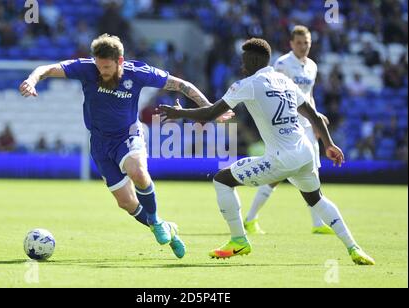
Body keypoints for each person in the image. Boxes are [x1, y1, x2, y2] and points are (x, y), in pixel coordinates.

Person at [159, 38, 375, 265]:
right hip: (304, 152)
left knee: (222, 180)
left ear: (252, 61)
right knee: (316, 199)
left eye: (243, 61)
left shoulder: (247, 84)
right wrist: (329, 144)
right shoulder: (284, 80)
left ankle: (239, 240)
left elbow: (210, 114)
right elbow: (314, 114)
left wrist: (179, 113)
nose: (241, 66)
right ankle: (354, 248)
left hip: (281, 159)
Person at [19, 33, 234, 259]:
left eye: (107, 67)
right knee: (126, 202)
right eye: (99, 66)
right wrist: (32, 80)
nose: (102, 71)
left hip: (128, 135)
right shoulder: (87, 69)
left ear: (120, 61)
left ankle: (155, 222)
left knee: (138, 172)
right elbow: (47, 68)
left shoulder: (138, 73)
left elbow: (182, 85)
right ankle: (161, 224)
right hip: (100, 143)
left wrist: (211, 109)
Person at [244, 25, 334, 235]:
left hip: (307, 123)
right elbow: (277, 94)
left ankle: (317, 223)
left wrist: (316, 118)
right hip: (289, 124)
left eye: (307, 43)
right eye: (300, 43)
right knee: (277, 175)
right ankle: (250, 218)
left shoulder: (312, 65)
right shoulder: (282, 64)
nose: (303, 47)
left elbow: (308, 96)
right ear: (291, 44)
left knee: (312, 169)